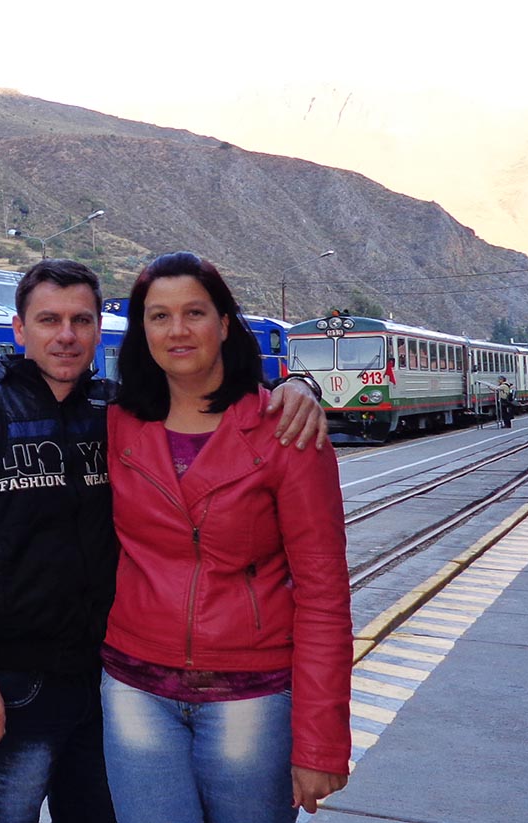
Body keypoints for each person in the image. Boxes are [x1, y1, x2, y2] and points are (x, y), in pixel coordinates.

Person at [0, 258, 328, 823]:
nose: (67, 335)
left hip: (107, 682)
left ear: (101, 329)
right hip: (9, 685)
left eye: (82, 319)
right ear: (19, 330)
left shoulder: (115, 412)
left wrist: (298, 385)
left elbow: (203, 398)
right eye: (49, 320)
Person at [100, 252, 352, 823]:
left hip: (253, 695)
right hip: (134, 689)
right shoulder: (116, 425)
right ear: (142, 332)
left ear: (225, 323)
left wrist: (321, 743)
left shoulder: (287, 431)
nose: (178, 330)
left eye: (194, 312)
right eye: (158, 316)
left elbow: (324, 594)